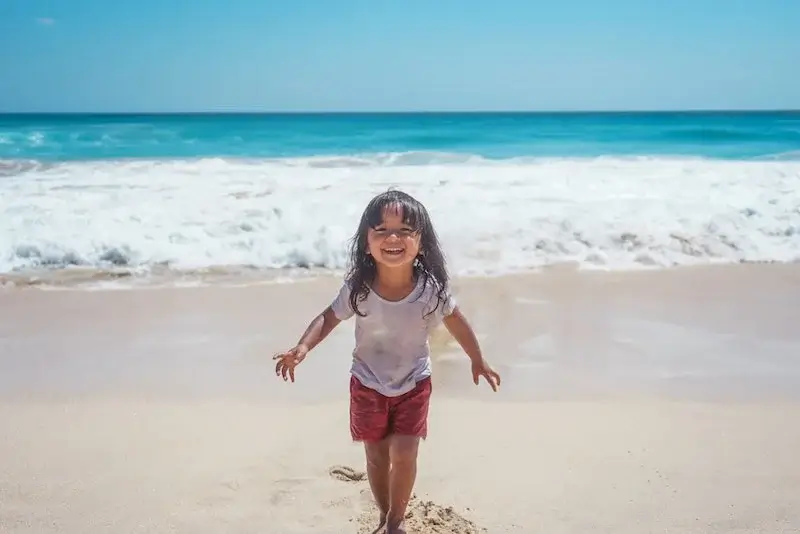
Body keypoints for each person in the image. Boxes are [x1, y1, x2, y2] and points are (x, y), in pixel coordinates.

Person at [273, 189, 501, 534]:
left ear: (421, 242)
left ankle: (396, 522)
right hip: (366, 382)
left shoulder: (430, 289)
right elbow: (329, 318)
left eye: (406, 230)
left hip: (414, 382)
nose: (393, 238)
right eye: (381, 230)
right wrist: (303, 347)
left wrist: (478, 359)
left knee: (405, 453)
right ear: (366, 242)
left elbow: (456, 320)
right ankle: (384, 515)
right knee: (377, 457)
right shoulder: (359, 287)